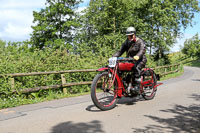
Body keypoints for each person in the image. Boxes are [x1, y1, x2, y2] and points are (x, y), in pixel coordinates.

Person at [113, 27, 147, 93]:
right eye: (128, 36)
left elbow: (142, 50)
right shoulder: (127, 42)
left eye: (131, 35)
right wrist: (113, 57)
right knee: (120, 67)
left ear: (134, 34)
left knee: (136, 68)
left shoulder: (140, 41)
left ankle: (137, 87)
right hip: (130, 60)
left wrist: (137, 56)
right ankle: (124, 84)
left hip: (140, 60)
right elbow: (120, 51)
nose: (130, 37)